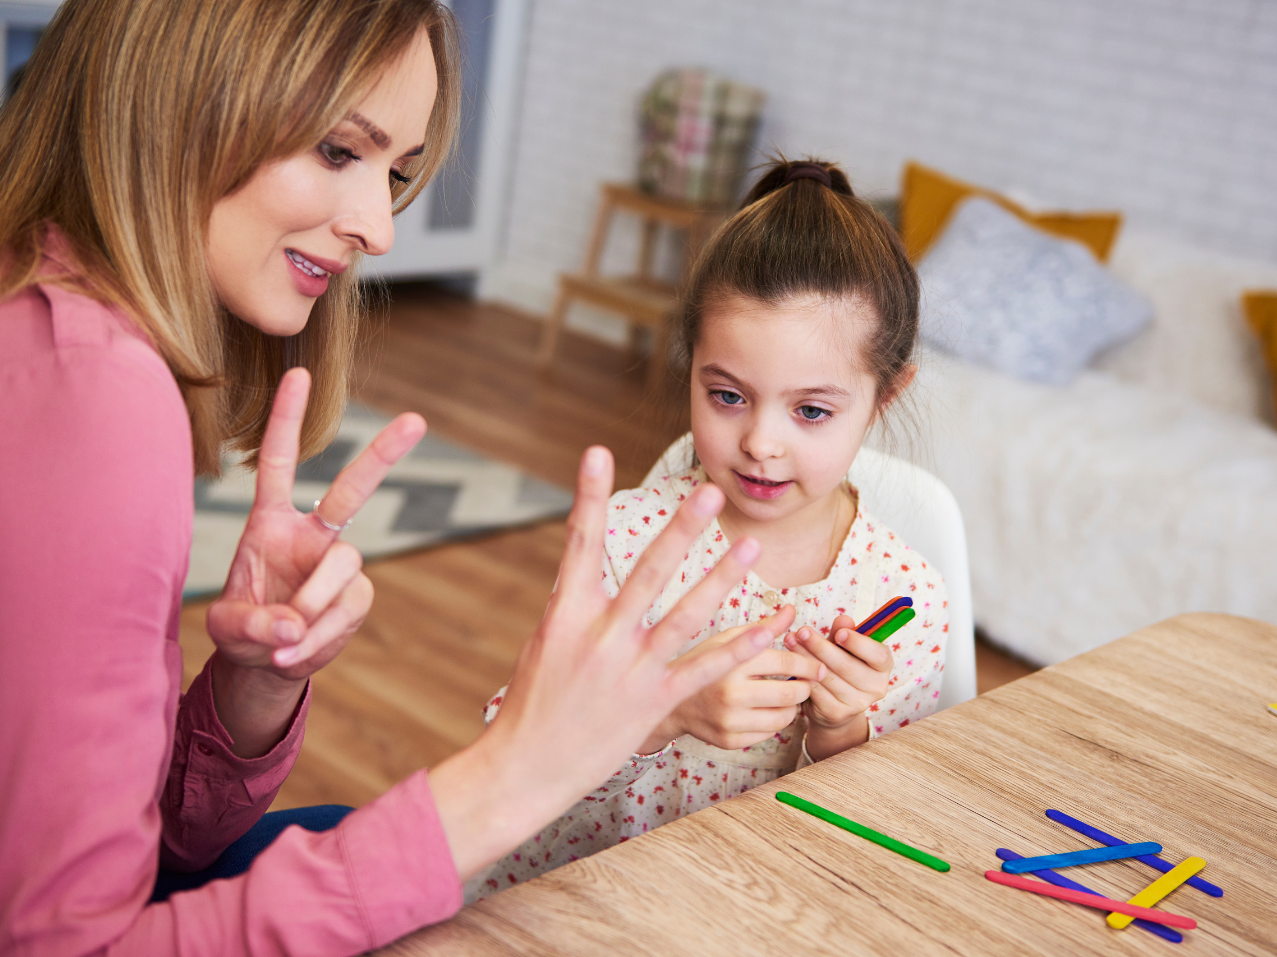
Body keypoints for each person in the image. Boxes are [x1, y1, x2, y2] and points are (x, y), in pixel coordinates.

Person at [0, 2, 795, 954]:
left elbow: (142, 841)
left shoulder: (51, 317)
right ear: (183, 93)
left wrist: (252, 688)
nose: (379, 228)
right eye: (340, 150)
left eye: (397, 173)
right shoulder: (98, 398)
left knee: (333, 832)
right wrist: (508, 779)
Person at [467, 158, 950, 900]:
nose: (760, 441)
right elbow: (511, 748)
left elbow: (868, 840)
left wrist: (839, 733)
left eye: (810, 411)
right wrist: (670, 708)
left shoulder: (905, 595)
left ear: (884, 396)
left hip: (756, 906)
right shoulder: (631, 540)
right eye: (726, 395)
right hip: (576, 895)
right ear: (690, 364)